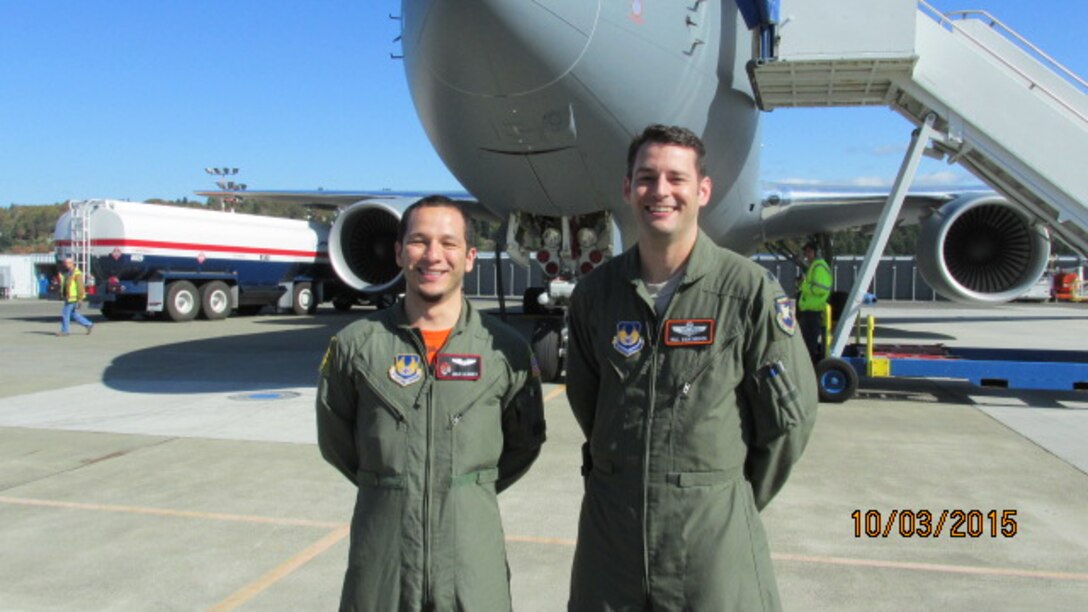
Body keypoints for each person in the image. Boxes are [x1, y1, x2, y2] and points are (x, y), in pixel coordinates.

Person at [565, 125, 818, 611]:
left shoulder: (747, 292)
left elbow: (790, 422)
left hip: (710, 549)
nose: (660, 191)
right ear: (627, 188)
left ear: (702, 190)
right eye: (646, 178)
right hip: (612, 545)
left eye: (676, 179)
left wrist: (725, 496)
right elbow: (590, 405)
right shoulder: (596, 296)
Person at [316, 195, 546, 611]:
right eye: (419, 242)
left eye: (449, 243)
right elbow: (337, 442)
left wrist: (460, 488)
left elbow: (523, 445)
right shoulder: (356, 347)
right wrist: (396, 483)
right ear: (400, 252)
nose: (433, 256)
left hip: (470, 567)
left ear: (470, 257)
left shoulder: (504, 352)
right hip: (383, 569)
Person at [797, 241, 833, 364]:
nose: (806, 254)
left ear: (815, 252)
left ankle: (809, 366)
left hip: (814, 310)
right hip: (808, 310)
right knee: (806, 341)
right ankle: (807, 364)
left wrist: (803, 286)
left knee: (809, 342)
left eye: (808, 251)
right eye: (805, 252)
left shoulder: (819, 267)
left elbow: (821, 289)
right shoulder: (814, 266)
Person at [57, 257, 93, 336]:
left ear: (72, 263)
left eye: (66, 263)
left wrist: (80, 298)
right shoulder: (67, 273)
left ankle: (65, 331)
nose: (65, 265)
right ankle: (88, 324)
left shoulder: (77, 273)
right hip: (68, 297)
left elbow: (80, 287)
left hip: (73, 298)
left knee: (65, 313)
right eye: (64, 263)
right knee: (73, 314)